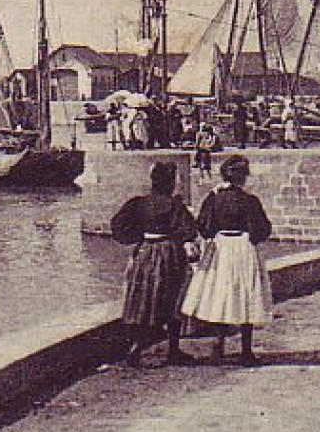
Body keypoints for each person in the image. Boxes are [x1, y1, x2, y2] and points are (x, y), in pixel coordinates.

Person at [180, 154, 273, 365]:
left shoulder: (213, 198)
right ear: (242, 177)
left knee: (220, 295)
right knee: (246, 294)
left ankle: (218, 347)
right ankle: (246, 351)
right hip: (243, 248)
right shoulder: (249, 200)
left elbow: (203, 227)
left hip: (221, 247)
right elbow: (262, 230)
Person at [111, 160, 200, 366]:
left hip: (144, 252)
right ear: (170, 183)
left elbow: (118, 225)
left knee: (145, 300)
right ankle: (173, 350)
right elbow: (188, 230)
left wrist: (138, 236)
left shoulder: (138, 202)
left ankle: (137, 347)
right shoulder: (174, 205)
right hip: (168, 253)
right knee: (172, 299)